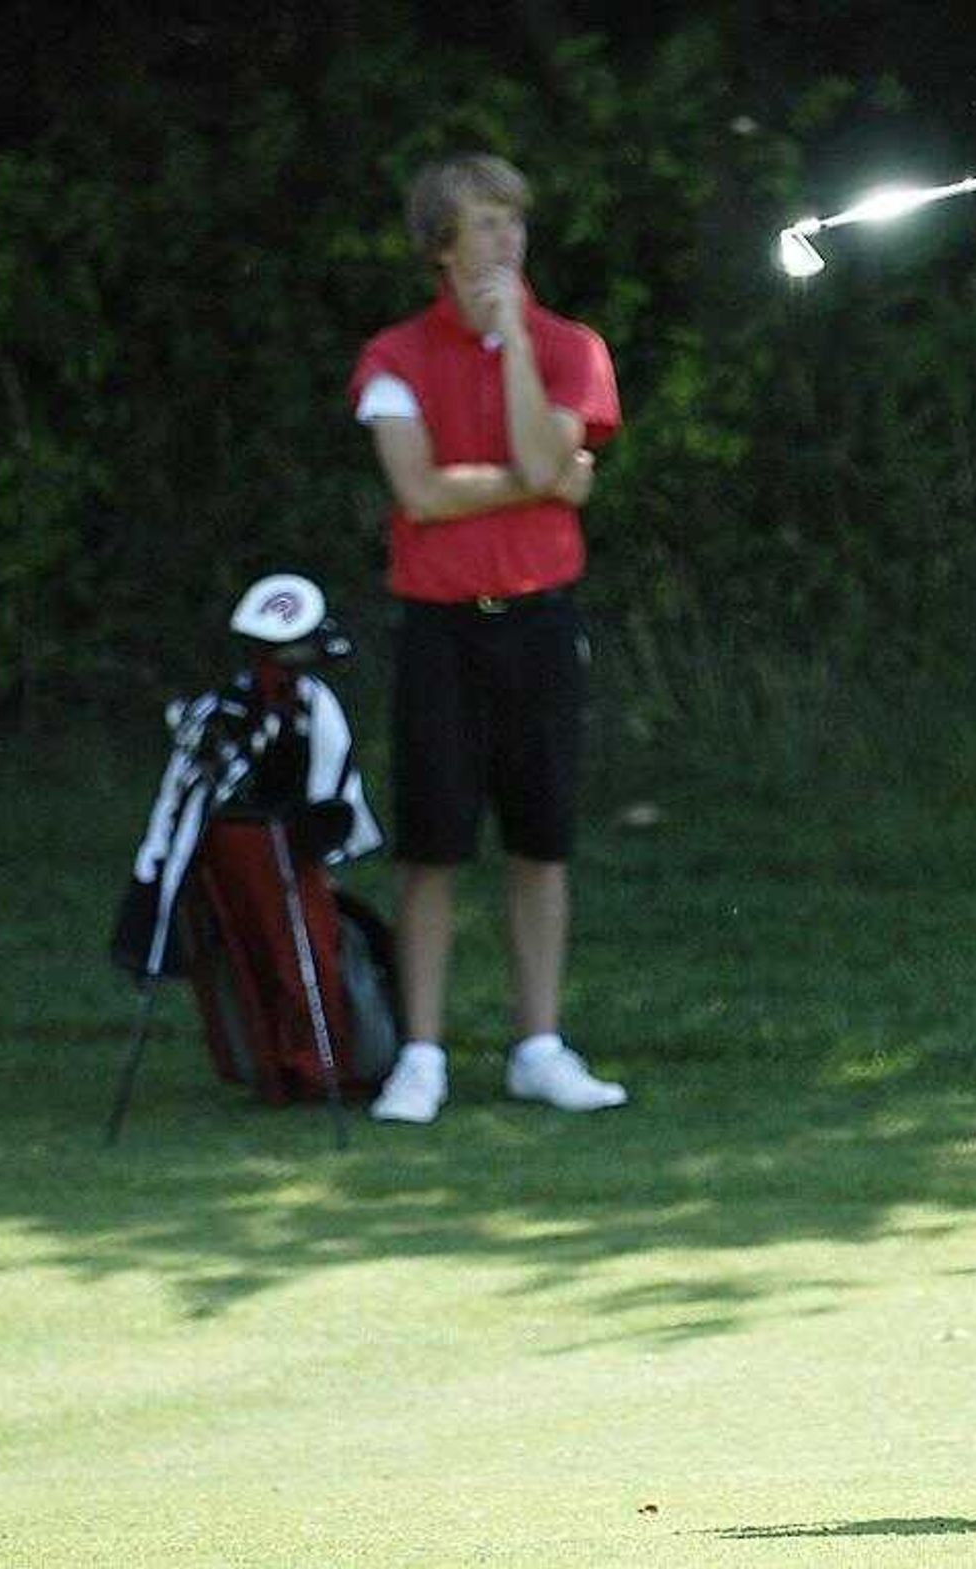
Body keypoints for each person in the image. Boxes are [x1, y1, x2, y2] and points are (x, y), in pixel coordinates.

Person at [348, 153, 629, 1124]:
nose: (507, 241)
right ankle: (420, 1054)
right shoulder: (392, 357)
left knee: (539, 841)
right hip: (438, 628)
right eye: (484, 225)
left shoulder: (567, 345)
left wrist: (512, 343)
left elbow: (545, 453)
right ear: (441, 246)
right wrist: (544, 478)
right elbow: (418, 491)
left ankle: (537, 1046)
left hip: (540, 619)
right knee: (431, 845)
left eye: (515, 222)